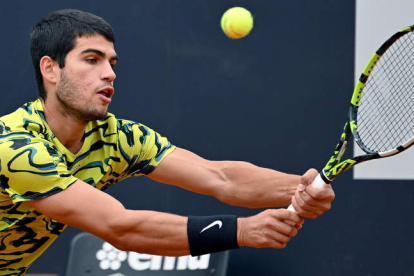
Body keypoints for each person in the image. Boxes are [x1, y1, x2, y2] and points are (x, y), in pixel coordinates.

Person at [0, 9, 335, 275]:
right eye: (92, 60)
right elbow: (120, 228)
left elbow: (219, 177)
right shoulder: (14, 148)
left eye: (111, 62)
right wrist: (242, 231)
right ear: (50, 69)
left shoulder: (118, 138)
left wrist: (300, 188)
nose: (109, 73)